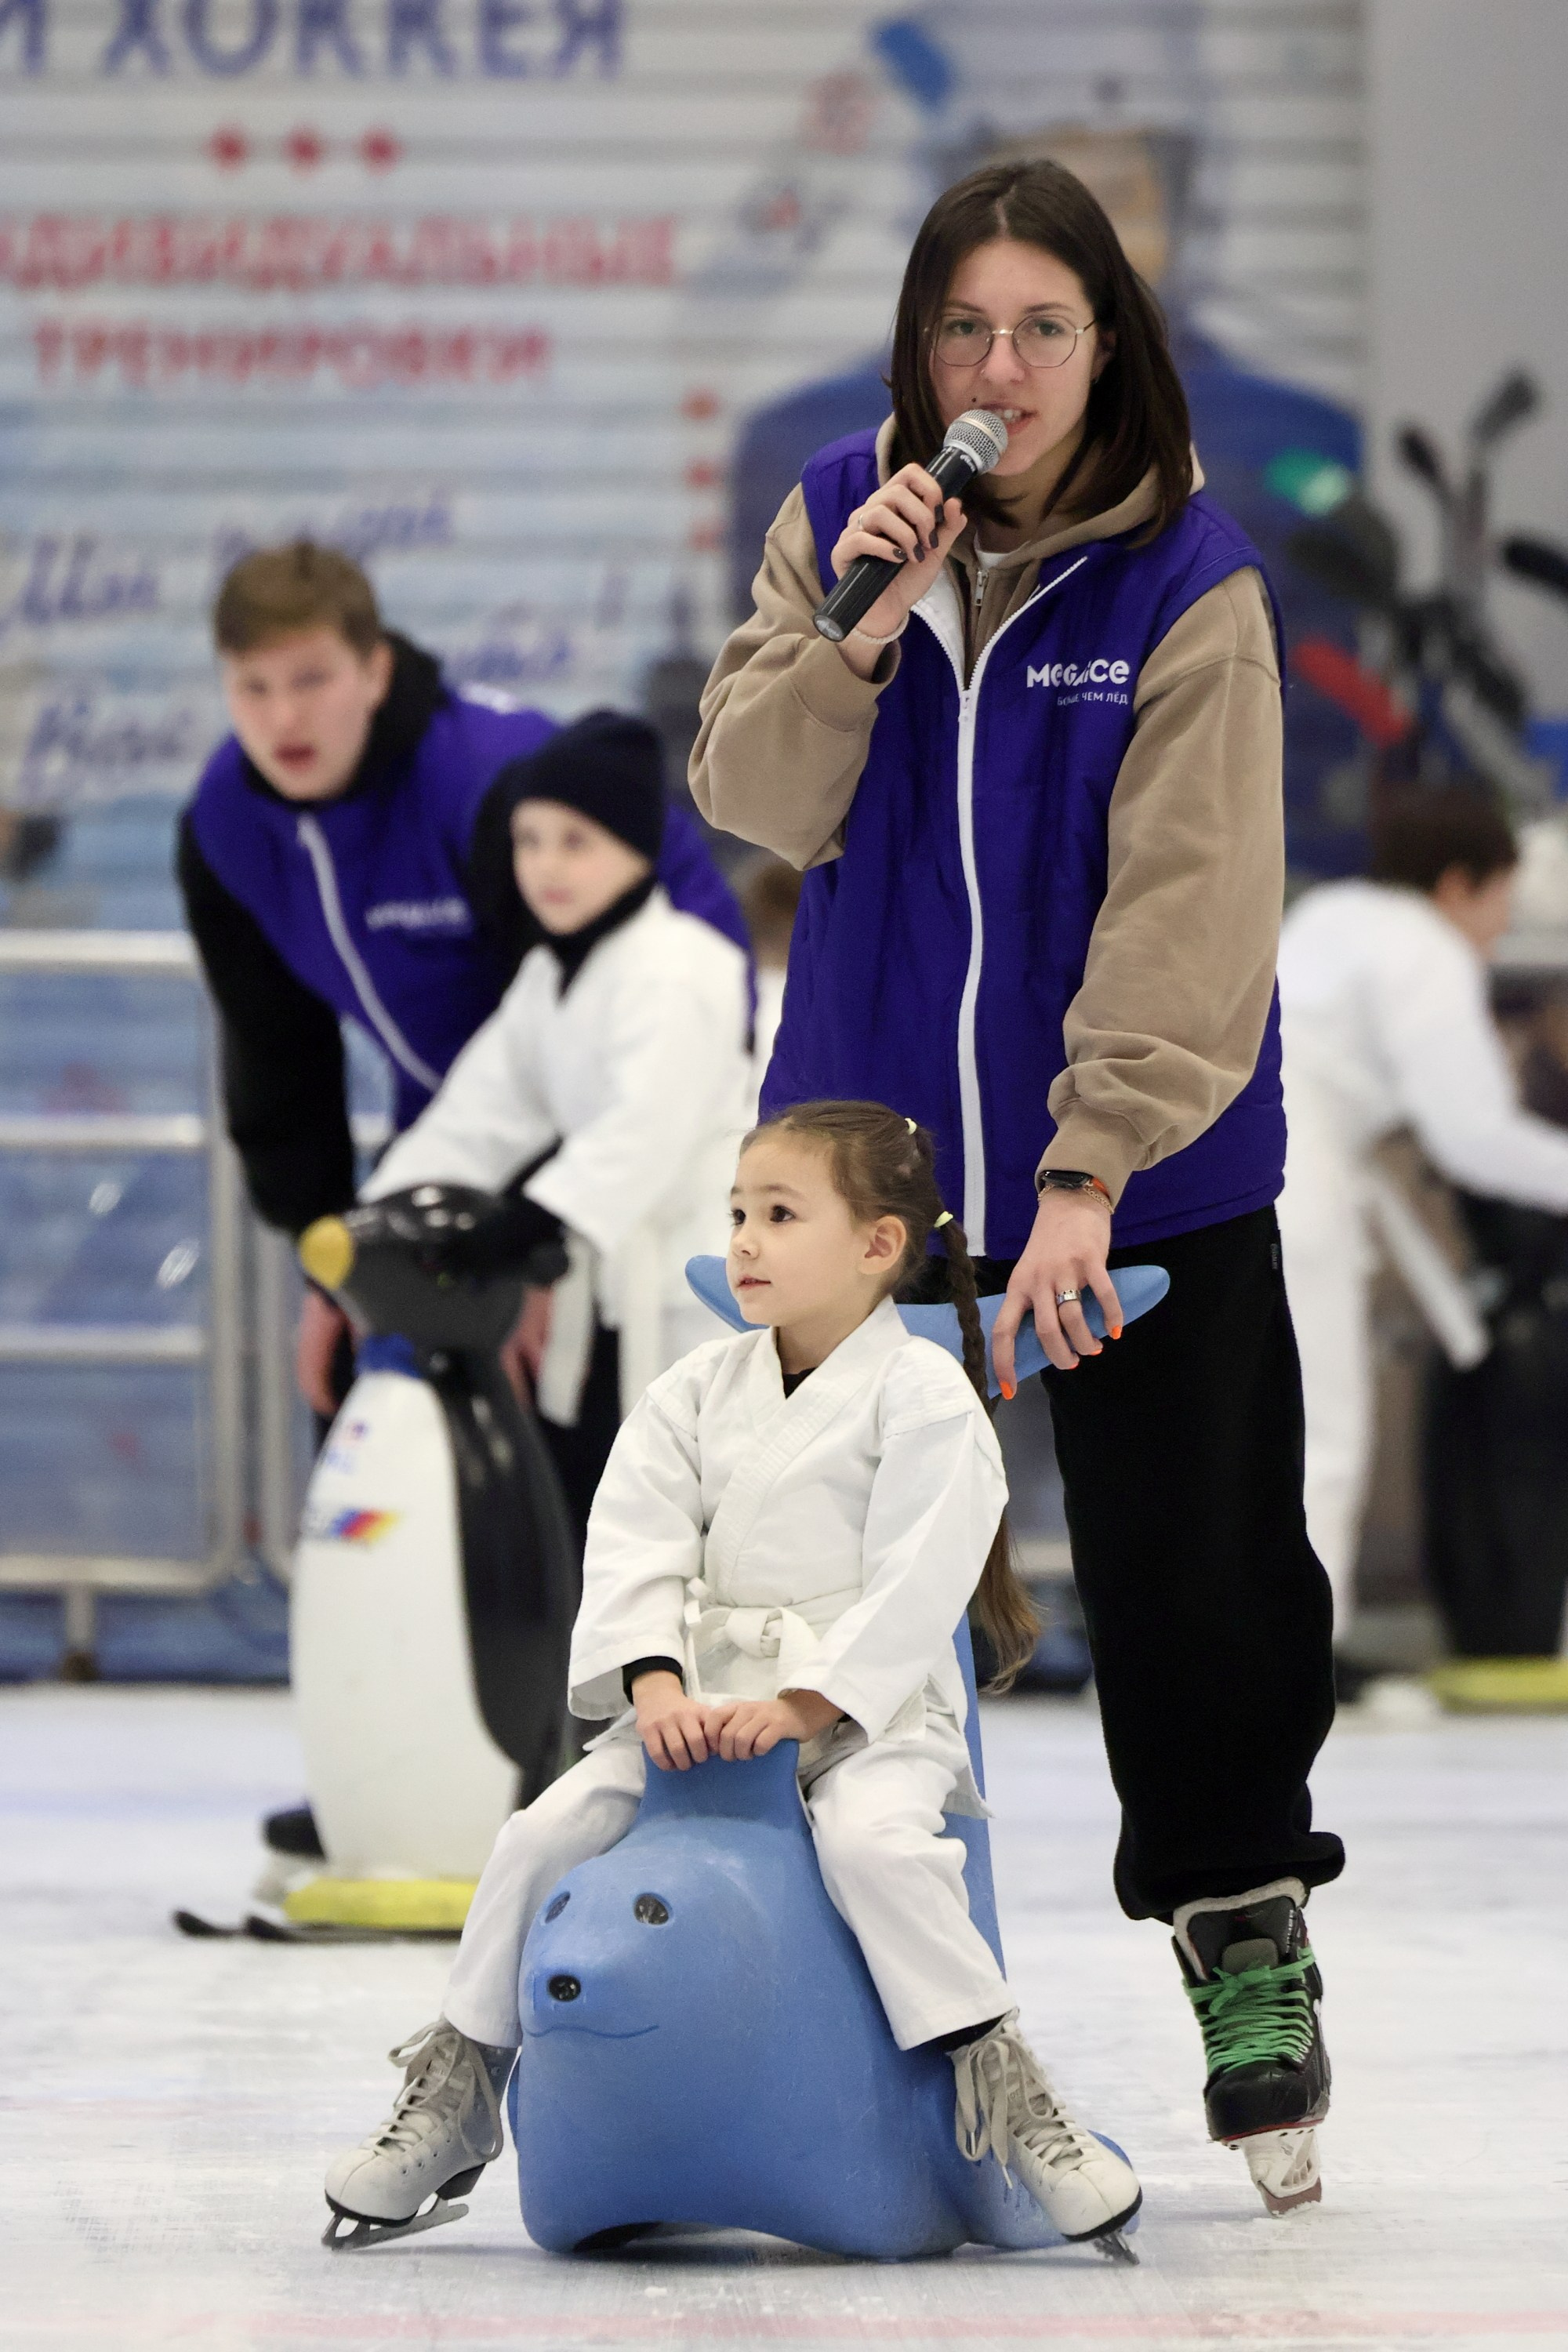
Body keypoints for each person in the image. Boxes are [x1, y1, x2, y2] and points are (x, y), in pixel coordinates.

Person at [690, 157, 1335, 2216]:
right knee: (800, 1578)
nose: (1001, 367)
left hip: (1145, 1175)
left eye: (1042, 328)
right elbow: (751, 800)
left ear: (1108, 343)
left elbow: (1198, 897)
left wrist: (1089, 1172)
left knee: (1195, 1578)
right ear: (919, 350)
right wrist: (865, 626)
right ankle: (781, 1979)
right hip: (870, 1168)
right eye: (962, 329)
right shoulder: (832, 524)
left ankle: (1242, 1929)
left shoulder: (1188, 575)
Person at [321, 1102, 1141, 2255]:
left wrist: (805, 1709)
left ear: (878, 1246)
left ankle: (1002, 2094)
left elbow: (919, 1583)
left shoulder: (925, 1398)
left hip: (867, 1719)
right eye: (740, 1215)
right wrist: (657, 1689)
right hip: (695, 1710)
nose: (746, 1242)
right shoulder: (696, 1390)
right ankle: (459, 2087)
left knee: (877, 1850)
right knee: (543, 1834)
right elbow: (636, 1543)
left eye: (781, 1216)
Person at [176, 540, 748, 1424]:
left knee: (598, 1448)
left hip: (637, 1173)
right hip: (472, 1140)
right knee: (381, 1413)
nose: (283, 718)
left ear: (374, 670)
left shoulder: (483, 779)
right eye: (252, 687)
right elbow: (276, 1055)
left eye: (311, 680)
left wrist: (536, 1240)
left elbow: (669, 1004)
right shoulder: (226, 822)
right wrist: (339, 1255)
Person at [358, 710, 754, 1544]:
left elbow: (639, 1133)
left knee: (705, 1533)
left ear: (637, 849)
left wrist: (529, 1222)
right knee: (600, 1525)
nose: (544, 866)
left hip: (699, 1295)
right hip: (602, 1297)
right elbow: (480, 1112)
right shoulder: (550, 974)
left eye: (574, 841)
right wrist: (383, 1213)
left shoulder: (685, 967)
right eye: (529, 840)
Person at [1276, 789, 1568, 1669]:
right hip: (1298, 1180)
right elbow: (1472, 1136)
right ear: (1456, 884)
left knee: (1255, 1430)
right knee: (1318, 1432)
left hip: (1240, 1175)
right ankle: (1299, 1662)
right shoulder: (1422, 950)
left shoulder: (1330, 914)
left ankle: (1242, 1655)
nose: (1496, 929)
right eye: (1498, 905)